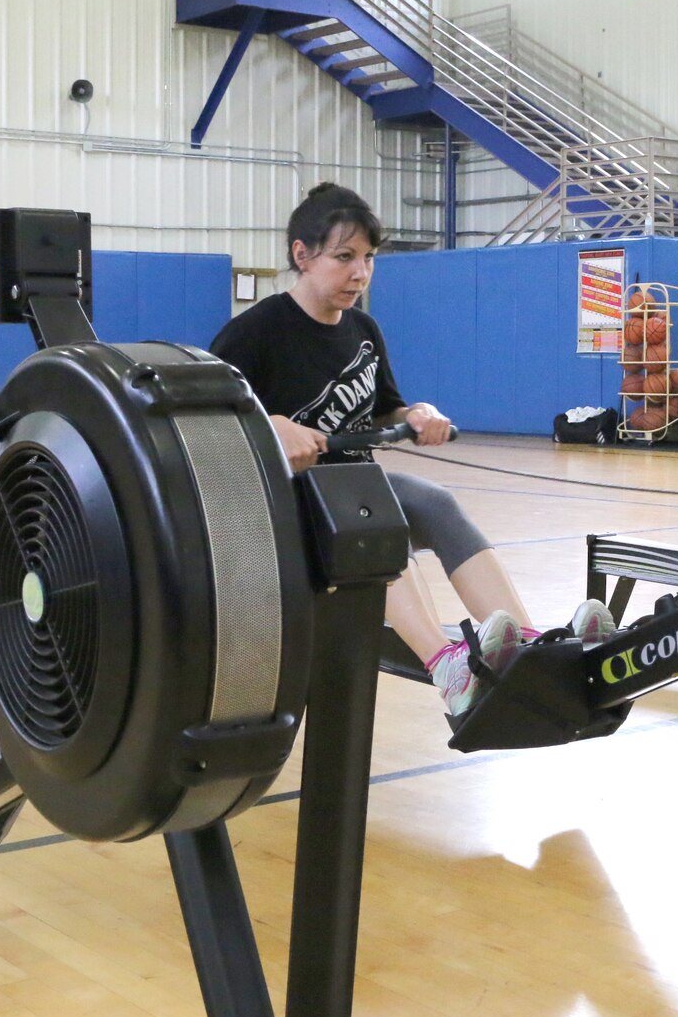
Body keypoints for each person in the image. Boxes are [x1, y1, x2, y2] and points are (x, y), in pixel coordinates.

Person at [209, 182, 614, 716]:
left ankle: (528, 647)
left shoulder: (362, 330)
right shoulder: (254, 332)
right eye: (344, 257)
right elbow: (211, 427)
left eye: (369, 259)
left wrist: (415, 414)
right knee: (370, 519)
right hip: (286, 507)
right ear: (301, 255)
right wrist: (270, 427)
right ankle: (445, 664)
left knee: (435, 502)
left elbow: (384, 409)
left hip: (357, 487)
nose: (360, 273)